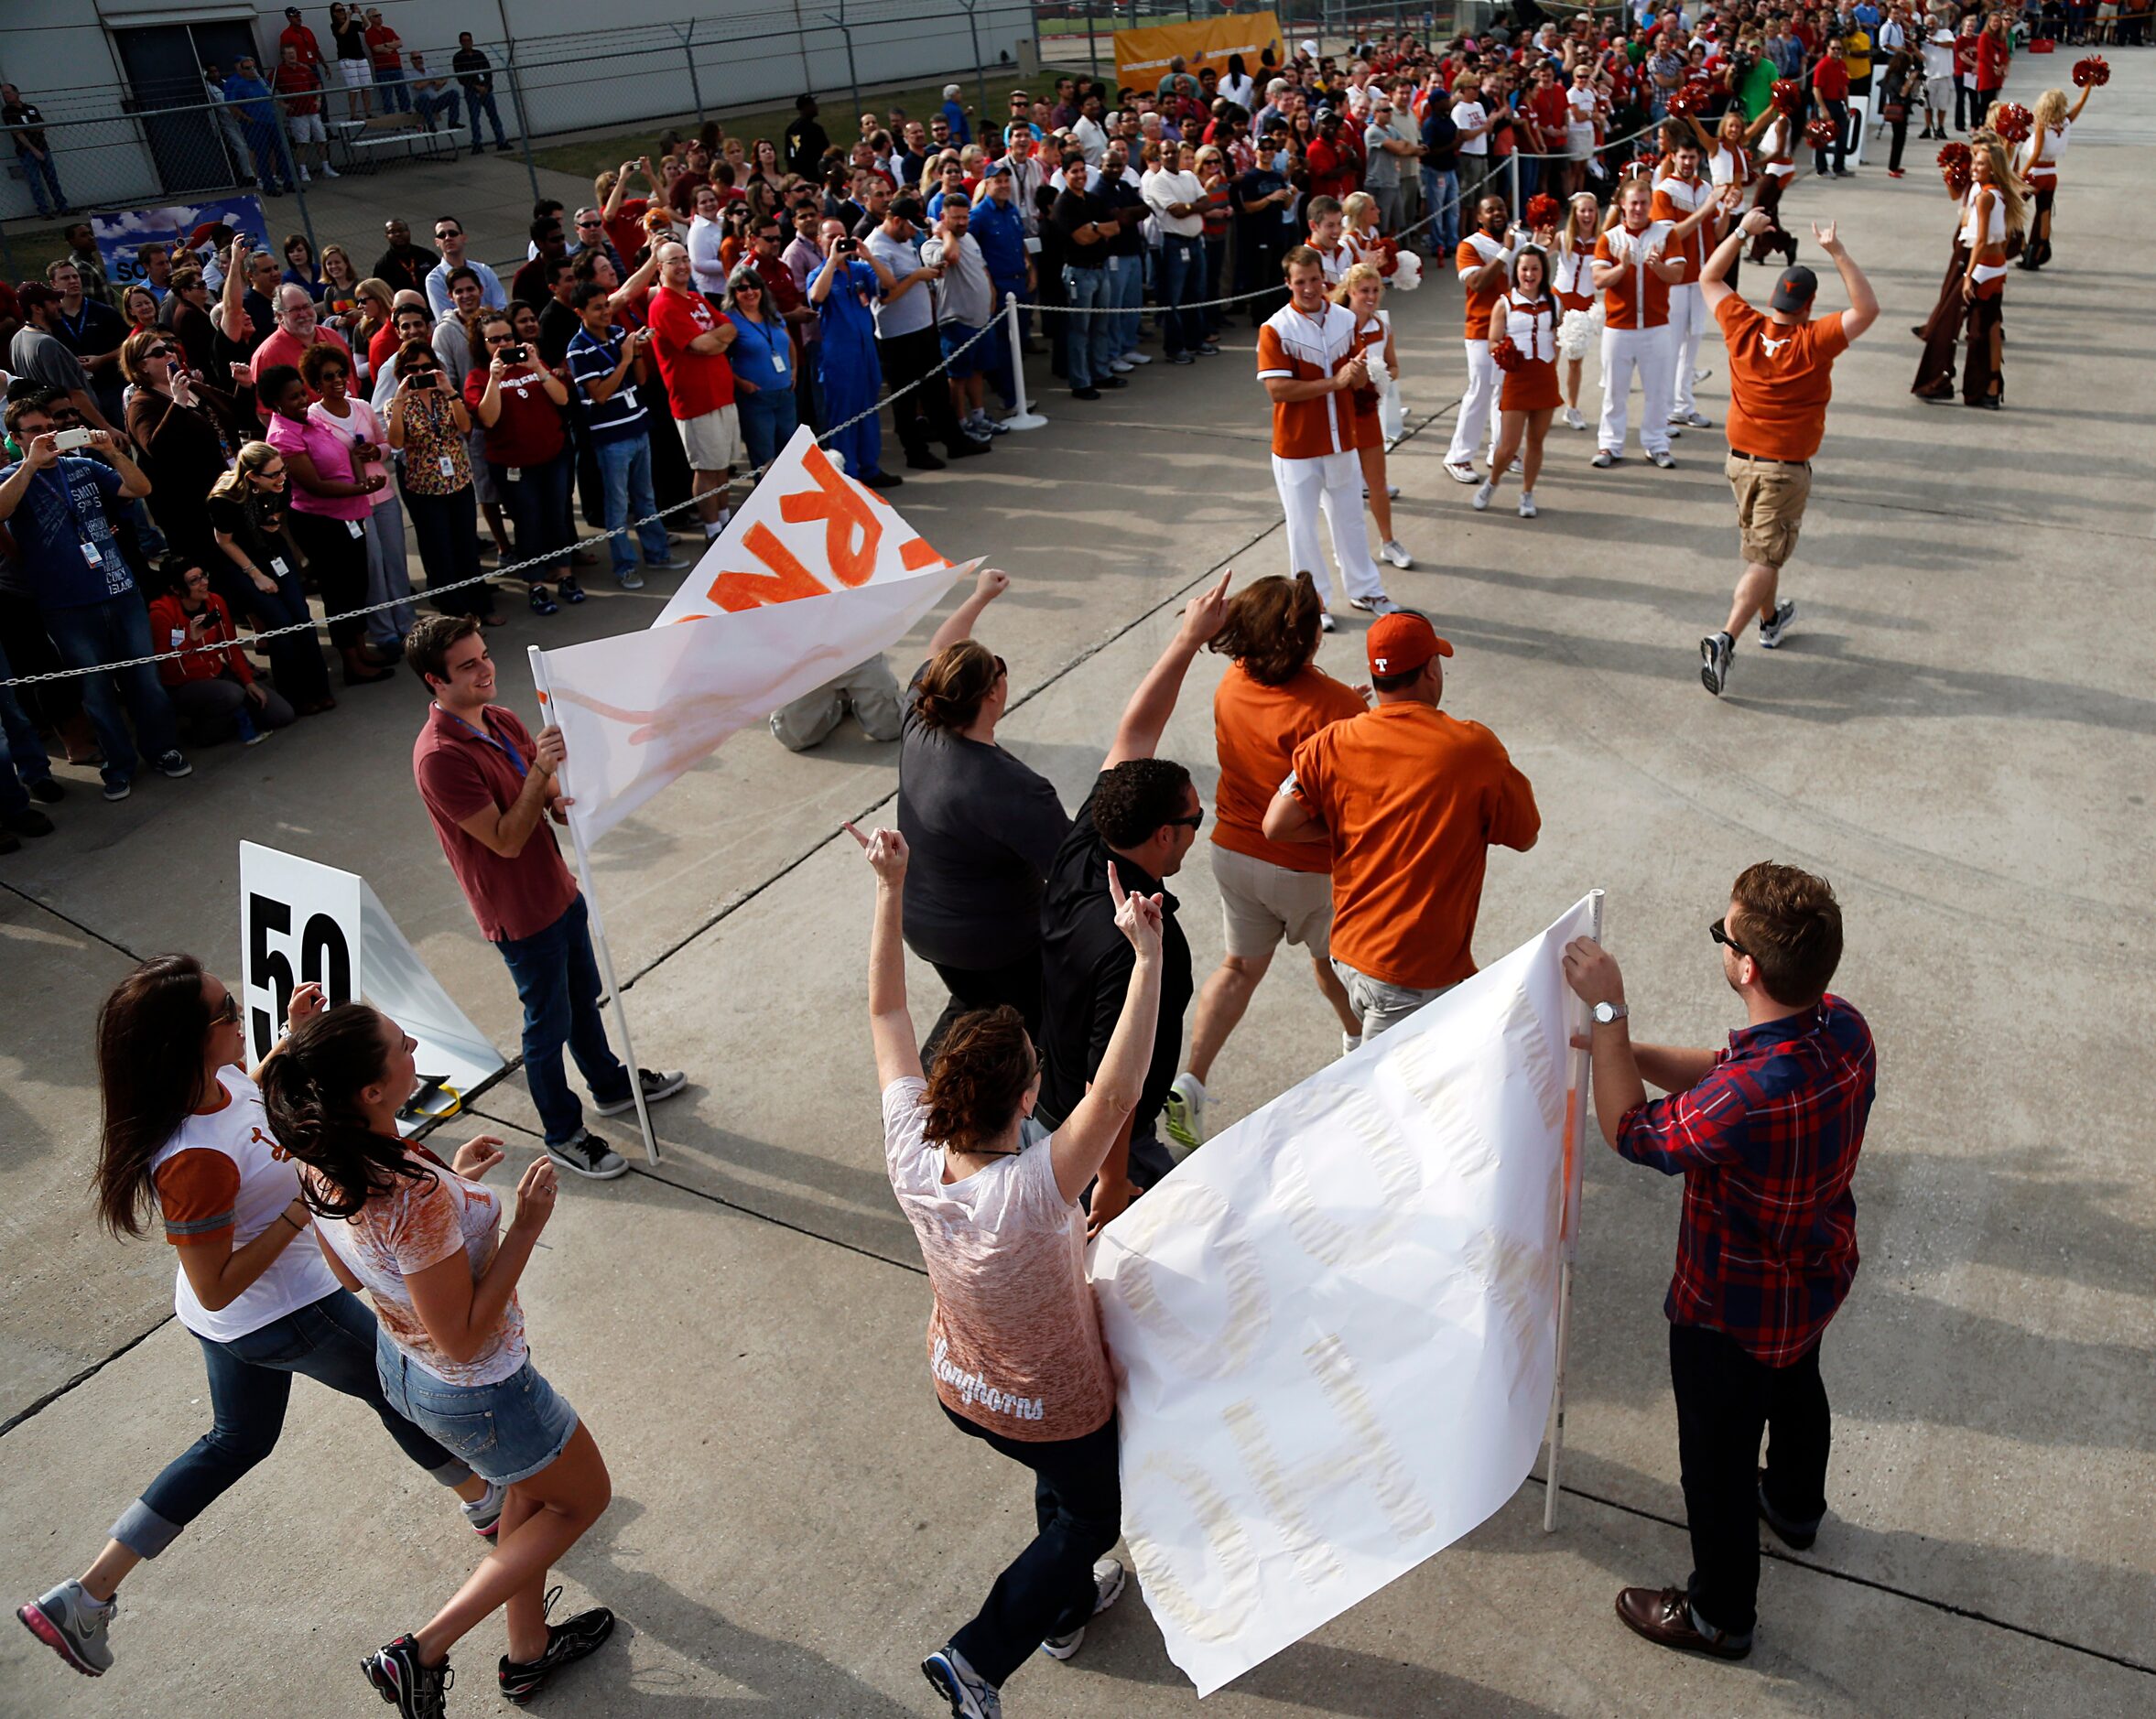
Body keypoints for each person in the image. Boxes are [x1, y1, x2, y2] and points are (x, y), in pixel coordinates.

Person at [12, 959, 503, 1682]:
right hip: (280, 1313)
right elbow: (215, 1286)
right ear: (188, 1039)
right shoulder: (194, 1161)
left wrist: (290, 1038)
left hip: (245, 1321)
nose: (240, 1014)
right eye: (226, 1010)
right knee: (397, 1384)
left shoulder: (221, 1080)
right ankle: (485, 1504)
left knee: (236, 1442)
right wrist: (299, 1210)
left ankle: (85, 1594)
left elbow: (247, 1099)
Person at [854, 816, 1150, 1719]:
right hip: (1054, 1403)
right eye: (1035, 1080)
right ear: (1026, 1099)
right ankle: (979, 1657)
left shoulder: (914, 1148)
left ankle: (1062, 1614)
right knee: (1094, 1517)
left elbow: (886, 1012)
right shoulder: (1032, 1189)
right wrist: (1147, 959)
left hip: (961, 1383)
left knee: (1059, 1495)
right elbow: (1119, 1091)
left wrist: (889, 889)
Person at [263, 1003, 616, 1714]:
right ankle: (419, 1651)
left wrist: (452, 1181)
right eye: (400, 1045)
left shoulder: (318, 1155)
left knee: (528, 1492)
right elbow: (459, 1334)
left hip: (409, 1371)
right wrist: (525, 1226)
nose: (413, 1043)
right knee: (583, 1499)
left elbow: (356, 1275)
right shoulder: (409, 1197)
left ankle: (528, 1653)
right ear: (369, 1091)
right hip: (480, 1386)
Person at [1561, 863, 1874, 1661]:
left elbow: (1631, 1131)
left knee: (1715, 1463)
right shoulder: (1842, 1028)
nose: (1722, 941)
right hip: (1810, 1274)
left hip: (1725, 1311)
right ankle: (1797, 1507)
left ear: (1746, 967)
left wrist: (1606, 1009)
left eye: (1722, 934)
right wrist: (1617, 1047)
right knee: (1798, 1388)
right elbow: (1723, 1073)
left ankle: (1719, 1614)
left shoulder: (1746, 1103)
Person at [406, 613, 686, 1180]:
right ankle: (562, 1132)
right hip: (519, 912)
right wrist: (541, 771)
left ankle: (609, 1085)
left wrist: (561, 798)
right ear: (435, 682)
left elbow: (545, 800)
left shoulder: (500, 718)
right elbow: (506, 840)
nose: (485, 669)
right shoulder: (440, 757)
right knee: (547, 1025)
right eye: (467, 666)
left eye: (484, 655)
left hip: (558, 891)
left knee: (584, 998)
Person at [1036, 573, 1231, 1227]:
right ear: (1163, 836)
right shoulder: (1143, 940)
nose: (1200, 829)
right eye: (1196, 820)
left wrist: (1187, 640)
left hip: (1049, 1092)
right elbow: (1111, 1087)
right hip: (1094, 1142)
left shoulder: (1091, 834)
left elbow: (1135, 732)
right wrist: (1113, 1182)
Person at [1262, 611, 1540, 1041]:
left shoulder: (1330, 743)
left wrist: (1350, 821)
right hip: (1407, 974)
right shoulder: (1471, 749)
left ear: (1376, 678)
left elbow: (1276, 824)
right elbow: (1526, 836)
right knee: (1382, 1102)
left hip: (1349, 953)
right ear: (1430, 670)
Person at [1164, 574, 1365, 1152]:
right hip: (1307, 869)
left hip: (1234, 855)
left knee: (1237, 970)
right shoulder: (1336, 707)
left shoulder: (1232, 681)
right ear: (1307, 641)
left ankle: (1191, 1082)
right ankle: (1358, 1048)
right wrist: (1348, 709)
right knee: (1332, 964)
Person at [1695, 211, 1877, 697]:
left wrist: (1740, 233)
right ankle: (1725, 637)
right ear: (1809, 304)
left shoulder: (1742, 324)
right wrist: (1836, 251)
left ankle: (1770, 620)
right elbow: (1867, 309)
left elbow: (1709, 276)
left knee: (1764, 548)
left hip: (1738, 464)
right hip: (1783, 471)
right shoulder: (1815, 341)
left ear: (1774, 299)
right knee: (1766, 558)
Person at [896, 567, 1067, 1056]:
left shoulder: (920, 718)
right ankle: (940, 1108)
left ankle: (927, 1095)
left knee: (977, 1000)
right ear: (995, 692)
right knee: (1022, 1032)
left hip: (922, 926)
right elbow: (1075, 872)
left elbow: (939, 647)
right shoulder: (1010, 788)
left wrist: (979, 598)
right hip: (996, 940)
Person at [0, 398, 190, 802]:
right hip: (66, 608)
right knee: (96, 691)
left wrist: (111, 452)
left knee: (145, 680)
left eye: (51, 425)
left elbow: (141, 488)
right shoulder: (13, 475)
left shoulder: (84, 467)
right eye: (35, 430)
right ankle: (118, 766)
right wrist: (31, 463)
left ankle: (162, 750)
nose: (48, 434)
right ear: (14, 439)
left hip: (121, 592)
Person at [1258, 245, 1397, 629]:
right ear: (1288, 283)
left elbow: (1358, 370)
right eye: (1300, 282)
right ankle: (1313, 602)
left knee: (1350, 518)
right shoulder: (1275, 328)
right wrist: (1334, 382)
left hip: (1341, 442)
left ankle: (1366, 588)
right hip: (1297, 448)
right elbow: (1278, 390)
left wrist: (1361, 376)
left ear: (1324, 279)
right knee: (1302, 528)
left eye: (1314, 280)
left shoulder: (1344, 319)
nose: (1308, 288)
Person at [260, 362, 395, 687]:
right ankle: (351, 662)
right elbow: (314, 485)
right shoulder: (283, 436)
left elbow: (346, 454)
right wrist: (362, 489)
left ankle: (362, 650)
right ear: (276, 403)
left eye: (302, 393)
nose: (302, 401)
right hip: (322, 522)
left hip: (350, 514)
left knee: (356, 585)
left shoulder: (308, 421)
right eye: (292, 398)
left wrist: (361, 483)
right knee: (339, 593)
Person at [206, 442, 340, 714]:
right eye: (274, 474)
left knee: (301, 616)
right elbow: (224, 541)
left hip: (273, 551)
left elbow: (281, 503)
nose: (282, 477)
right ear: (252, 476)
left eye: (283, 470)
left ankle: (319, 689)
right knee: (280, 622)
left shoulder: (280, 483)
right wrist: (255, 575)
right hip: (242, 560)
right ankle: (294, 695)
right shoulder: (224, 499)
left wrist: (273, 518)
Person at [304, 342, 415, 656]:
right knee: (373, 568)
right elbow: (325, 461)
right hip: (353, 503)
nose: (338, 380)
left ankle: (407, 626)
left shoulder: (363, 405)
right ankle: (384, 633)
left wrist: (372, 452)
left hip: (384, 495)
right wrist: (349, 457)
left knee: (395, 563)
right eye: (328, 376)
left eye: (341, 373)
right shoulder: (315, 417)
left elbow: (386, 445)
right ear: (316, 383)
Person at [466, 310, 578, 613]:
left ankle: (565, 575)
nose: (503, 343)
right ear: (483, 344)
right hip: (513, 466)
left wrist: (537, 367)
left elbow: (562, 399)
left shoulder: (533, 364)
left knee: (557, 516)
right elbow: (487, 417)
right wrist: (494, 378)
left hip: (552, 457)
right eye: (495, 340)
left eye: (508, 337)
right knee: (528, 524)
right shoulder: (478, 378)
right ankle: (536, 584)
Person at [565, 285, 674, 589]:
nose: (605, 312)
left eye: (606, 305)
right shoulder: (577, 349)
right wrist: (625, 359)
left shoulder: (616, 333)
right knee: (617, 505)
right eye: (597, 307)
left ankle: (657, 553)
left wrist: (636, 350)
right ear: (580, 313)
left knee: (647, 498)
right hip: (611, 438)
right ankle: (625, 566)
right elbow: (599, 394)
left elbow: (639, 380)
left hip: (638, 426)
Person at [865, 197, 986, 469]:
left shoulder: (902, 241)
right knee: (905, 397)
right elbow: (883, 297)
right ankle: (914, 451)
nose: (914, 235)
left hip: (921, 327)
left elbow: (913, 273)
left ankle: (954, 440)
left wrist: (929, 273)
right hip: (897, 335)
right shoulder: (877, 248)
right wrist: (918, 277)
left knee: (936, 389)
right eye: (911, 228)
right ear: (896, 221)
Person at [121, 329, 254, 572]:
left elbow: (236, 413)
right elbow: (156, 447)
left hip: (229, 491)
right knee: (222, 575)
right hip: (193, 510)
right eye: (159, 352)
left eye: (170, 347)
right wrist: (178, 404)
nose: (169, 353)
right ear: (142, 366)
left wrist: (244, 386)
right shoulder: (141, 404)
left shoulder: (190, 385)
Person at [1912, 133, 2020, 410]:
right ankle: (1989, 389)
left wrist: (1969, 276)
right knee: (1985, 329)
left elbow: (1982, 240)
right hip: (1995, 269)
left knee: (1947, 327)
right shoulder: (2000, 193)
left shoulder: (1986, 198)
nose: (1974, 167)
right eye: (1975, 162)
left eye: (1981, 164)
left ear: (1994, 168)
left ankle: (1938, 381)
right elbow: (2001, 238)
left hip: (1982, 269)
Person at [645, 240, 742, 537]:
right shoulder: (663, 305)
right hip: (696, 402)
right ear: (660, 268)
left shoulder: (696, 300)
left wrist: (715, 341)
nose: (683, 265)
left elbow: (731, 329)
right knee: (707, 469)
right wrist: (715, 341)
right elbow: (700, 344)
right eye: (674, 260)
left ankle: (725, 521)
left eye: (686, 258)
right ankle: (713, 531)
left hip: (722, 395)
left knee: (723, 465)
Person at [147, 559, 296, 744]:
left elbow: (230, 645)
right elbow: (169, 666)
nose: (204, 583)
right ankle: (198, 733)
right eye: (194, 581)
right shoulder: (162, 613)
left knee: (282, 714)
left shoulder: (215, 601)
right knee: (232, 694)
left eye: (203, 576)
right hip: (184, 685)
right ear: (176, 589)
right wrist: (190, 639)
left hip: (218, 674)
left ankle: (233, 714)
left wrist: (248, 681)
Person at [1591, 178, 1685, 470]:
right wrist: (1622, 267)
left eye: (1644, 203)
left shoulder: (1665, 235)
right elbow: (1598, 280)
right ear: (1622, 204)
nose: (1638, 208)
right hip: (1618, 329)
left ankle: (1657, 444)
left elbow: (1678, 274)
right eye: (1633, 203)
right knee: (1614, 391)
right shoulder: (1610, 238)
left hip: (1656, 327)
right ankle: (1609, 444)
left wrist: (1657, 266)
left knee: (1657, 391)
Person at [1331, 263, 1412, 568]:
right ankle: (1345, 549)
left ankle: (1388, 542)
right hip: (1338, 414)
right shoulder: (1336, 325)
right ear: (1349, 292)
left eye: (1375, 290)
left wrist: (1379, 378)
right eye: (1363, 290)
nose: (1370, 296)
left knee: (1377, 482)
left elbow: (1393, 366)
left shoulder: (1382, 327)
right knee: (1343, 486)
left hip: (1366, 414)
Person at [1649, 135, 1731, 432]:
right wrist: (1708, 207)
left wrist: (1727, 210)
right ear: (1673, 157)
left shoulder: (1705, 188)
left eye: (1692, 157)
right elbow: (1672, 236)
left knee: (1693, 343)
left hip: (1702, 278)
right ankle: (1664, 411)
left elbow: (1718, 232)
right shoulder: (1664, 192)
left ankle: (1684, 406)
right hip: (1676, 279)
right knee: (1670, 347)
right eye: (1683, 157)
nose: (1687, 162)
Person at [1477, 245, 1563, 518]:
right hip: (1517, 379)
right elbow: (1492, 341)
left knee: (1536, 441)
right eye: (1524, 268)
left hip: (1545, 378)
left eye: (1535, 269)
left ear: (1543, 272)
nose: (1529, 274)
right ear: (1516, 271)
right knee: (1508, 446)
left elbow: (1561, 336)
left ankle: (1527, 493)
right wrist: (1503, 352)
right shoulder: (1505, 303)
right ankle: (1492, 482)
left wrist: (1554, 358)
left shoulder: (1555, 301)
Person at [1443, 194, 1515, 485]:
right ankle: (1457, 456)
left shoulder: (1515, 240)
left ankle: (1502, 450)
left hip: (1512, 329)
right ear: (1480, 217)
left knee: (1506, 394)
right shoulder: (1469, 245)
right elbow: (1479, 283)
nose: (1497, 213)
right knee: (1480, 392)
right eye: (1490, 210)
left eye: (1500, 208)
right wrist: (1505, 253)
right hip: (1481, 332)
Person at [918, 199, 999, 441]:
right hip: (956, 321)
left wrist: (991, 295)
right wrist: (944, 234)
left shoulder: (970, 238)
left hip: (980, 318)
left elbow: (983, 270)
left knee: (977, 370)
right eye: (956, 218)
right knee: (958, 376)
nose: (963, 222)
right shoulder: (931, 246)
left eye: (965, 217)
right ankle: (960, 422)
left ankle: (978, 415)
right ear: (944, 217)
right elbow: (951, 256)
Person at [720, 264, 798, 471]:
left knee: (790, 457)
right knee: (764, 460)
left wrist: (794, 370)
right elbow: (720, 360)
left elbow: (789, 343)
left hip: (785, 395)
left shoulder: (773, 314)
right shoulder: (728, 321)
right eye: (742, 288)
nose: (750, 292)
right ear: (733, 292)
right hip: (756, 399)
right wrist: (741, 383)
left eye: (754, 286)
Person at [2016, 84, 2096, 271]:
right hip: (2051, 175)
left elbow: (2036, 153)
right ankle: (2038, 251)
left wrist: (2022, 173)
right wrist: (2088, 85)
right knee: (2044, 213)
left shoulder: (2042, 125)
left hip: (2035, 173)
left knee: (2012, 208)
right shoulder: (2066, 122)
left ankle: (2020, 245)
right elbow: (2080, 103)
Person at [2, 82, 67, 218]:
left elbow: (41, 126)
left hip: (43, 147)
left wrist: (27, 128)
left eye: (8, 92)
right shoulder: (8, 112)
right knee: (35, 182)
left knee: (52, 180)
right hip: (26, 151)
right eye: (4, 94)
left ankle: (63, 207)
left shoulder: (30, 108)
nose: (6, 96)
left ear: (16, 93)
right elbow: (17, 132)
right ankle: (44, 211)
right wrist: (33, 148)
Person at [424, 217, 506, 319]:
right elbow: (445, 318)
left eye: (452, 233)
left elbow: (501, 307)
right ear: (437, 242)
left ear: (463, 238)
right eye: (442, 235)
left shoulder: (485, 270)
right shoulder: (434, 280)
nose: (447, 238)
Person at [451, 30, 510, 153]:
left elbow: (488, 72)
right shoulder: (458, 57)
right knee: (474, 117)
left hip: (486, 90)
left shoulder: (479, 54)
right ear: (460, 43)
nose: (467, 43)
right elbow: (461, 77)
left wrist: (486, 86)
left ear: (472, 41)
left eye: (469, 40)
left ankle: (501, 141)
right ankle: (477, 144)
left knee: (494, 116)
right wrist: (475, 87)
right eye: (464, 41)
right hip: (471, 91)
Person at [784, 93, 829, 181]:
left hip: (800, 178)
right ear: (804, 108)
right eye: (812, 104)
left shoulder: (791, 129)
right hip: (815, 176)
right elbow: (826, 153)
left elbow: (789, 159)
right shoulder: (815, 129)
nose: (816, 107)